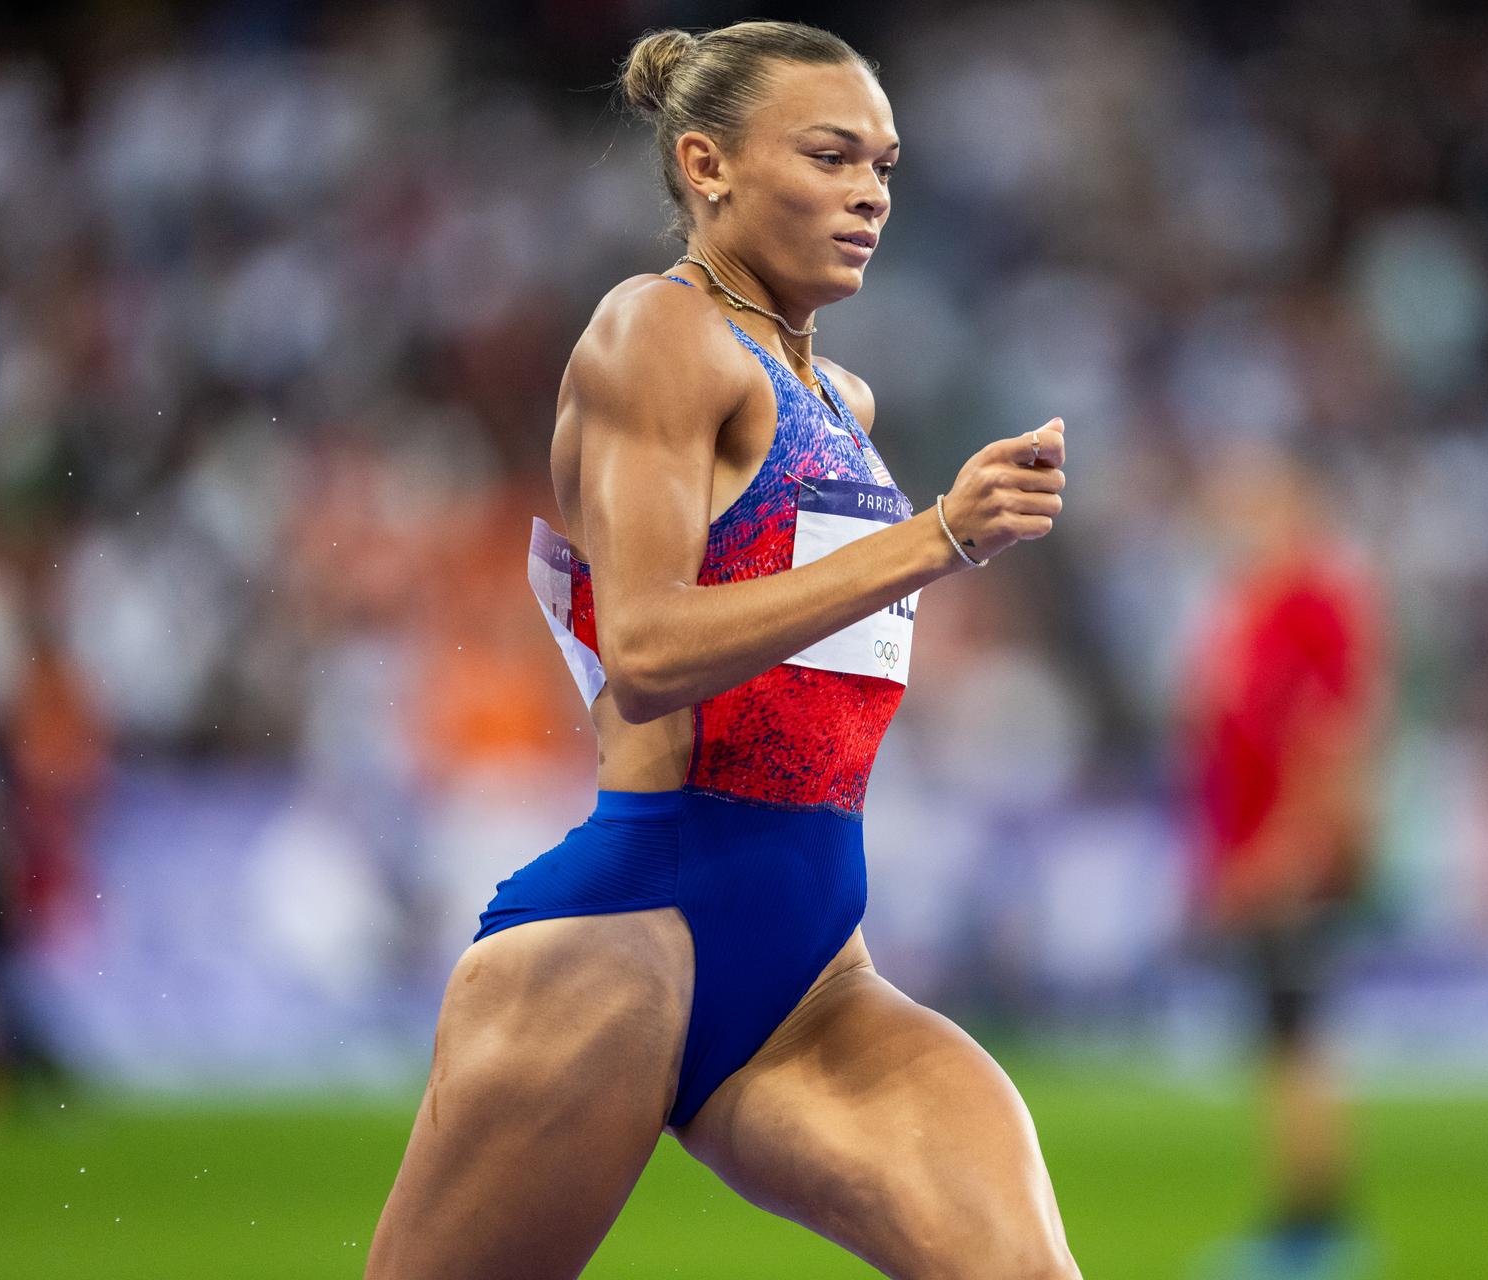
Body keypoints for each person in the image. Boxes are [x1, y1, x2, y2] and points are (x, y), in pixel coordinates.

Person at [365, 20, 1080, 1280]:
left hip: (815, 978)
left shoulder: (841, 399)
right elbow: (644, 645)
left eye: (886, 164)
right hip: (619, 946)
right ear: (707, 165)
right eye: (830, 154)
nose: (870, 191)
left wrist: (933, 544)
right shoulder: (656, 332)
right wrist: (936, 539)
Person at [1182, 448, 1385, 1280]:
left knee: (1297, 1033)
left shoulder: (1312, 603)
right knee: (1281, 1035)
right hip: (1255, 851)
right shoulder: (1253, 603)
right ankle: (1305, 1217)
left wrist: (1290, 849)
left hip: (1287, 857)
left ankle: (1316, 1226)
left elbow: (1326, 735)